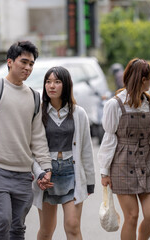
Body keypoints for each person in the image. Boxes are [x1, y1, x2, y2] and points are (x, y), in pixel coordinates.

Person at [0, 41, 52, 240]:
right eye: (23, 62)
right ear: (10, 62)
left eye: (31, 64)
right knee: (3, 220)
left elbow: (38, 138)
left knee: (18, 227)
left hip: (23, 175)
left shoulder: (34, 97)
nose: (27, 67)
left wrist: (46, 167)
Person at [98, 58, 150, 240]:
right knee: (132, 216)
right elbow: (109, 138)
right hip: (122, 164)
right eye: (149, 78)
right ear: (141, 79)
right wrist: (104, 172)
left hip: (146, 162)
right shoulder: (115, 104)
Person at [32, 66, 95, 240]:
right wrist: (39, 173)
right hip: (47, 174)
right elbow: (32, 148)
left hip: (71, 172)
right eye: (48, 82)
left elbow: (86, 149)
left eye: (57, 82)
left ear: (66, 85)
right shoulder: (38, 113)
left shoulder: (78, 113)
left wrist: (90, 181)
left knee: (73, 226)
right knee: (46, 229)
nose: (51, 86)